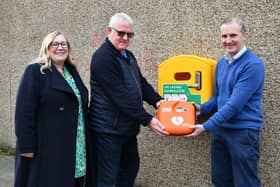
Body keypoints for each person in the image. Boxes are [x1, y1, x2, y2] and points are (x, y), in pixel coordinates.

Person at [86, 13, 169, 187]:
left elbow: (141, 83)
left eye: (129, 34)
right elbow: (120, 97)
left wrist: (158, 101)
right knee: (108, 179)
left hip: (126, 129)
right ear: (109, 31)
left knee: (129, 170)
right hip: (107, 130)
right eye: (121, 33)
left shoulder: (127, 55)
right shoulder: (103, 58)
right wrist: (148, 120)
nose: (125, 38)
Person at [185, 17, 265, 187]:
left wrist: (206, 126)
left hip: (243, 132)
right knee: (220, 180)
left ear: (244, 35)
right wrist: (202, 109)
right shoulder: (221, 63)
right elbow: (218, 97)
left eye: (233, 35)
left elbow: (234, 105)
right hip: (221, 131)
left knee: (245, 182)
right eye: (224, 36)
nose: (228, 41)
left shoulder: (253, 65)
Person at [14, 31, 89, 187]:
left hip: (75, 141)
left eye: (64, 44)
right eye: (55, 44)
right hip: (47, 144)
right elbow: (24, 111)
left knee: (72, 180)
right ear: (46, 48)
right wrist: (26, 145)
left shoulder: (71, 71)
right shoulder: (35, 71)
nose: (60, 47)